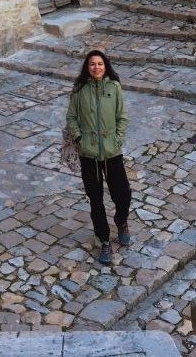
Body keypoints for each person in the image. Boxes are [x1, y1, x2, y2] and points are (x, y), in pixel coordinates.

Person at [66, 49, 132, 265]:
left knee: (123, 193)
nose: (97, 67)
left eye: (100, 64)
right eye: (92, 64)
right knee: (96, 200)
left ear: (106, 66)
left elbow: (122, 116)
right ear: (87, 67)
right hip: (89, 154)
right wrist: (79, 139)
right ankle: (104, 241)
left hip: (112, 151)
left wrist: (118, 139)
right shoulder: (79, 90)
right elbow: (71, 117)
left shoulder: (114, 87)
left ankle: (121, 221)